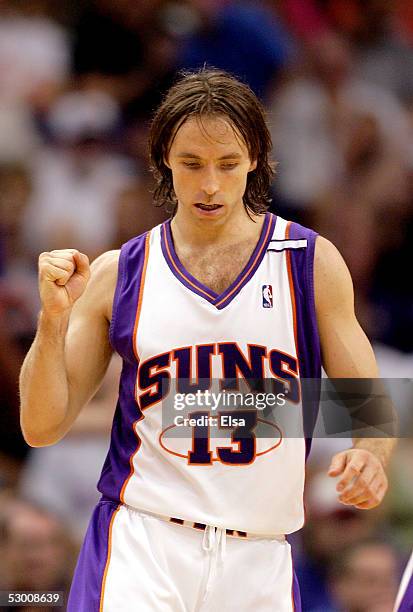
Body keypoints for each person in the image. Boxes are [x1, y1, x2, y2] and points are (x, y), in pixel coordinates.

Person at [19, 68, 395, 612]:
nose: (210, 185)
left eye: (227, 164)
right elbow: (41, 426)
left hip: (260, 554)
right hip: (142, 543)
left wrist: (371, 456)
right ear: (164, 160)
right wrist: (52, 321)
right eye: (192, 165)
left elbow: (368, 405)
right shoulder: (119, 272)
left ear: (257, 161)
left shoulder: (308, 261)